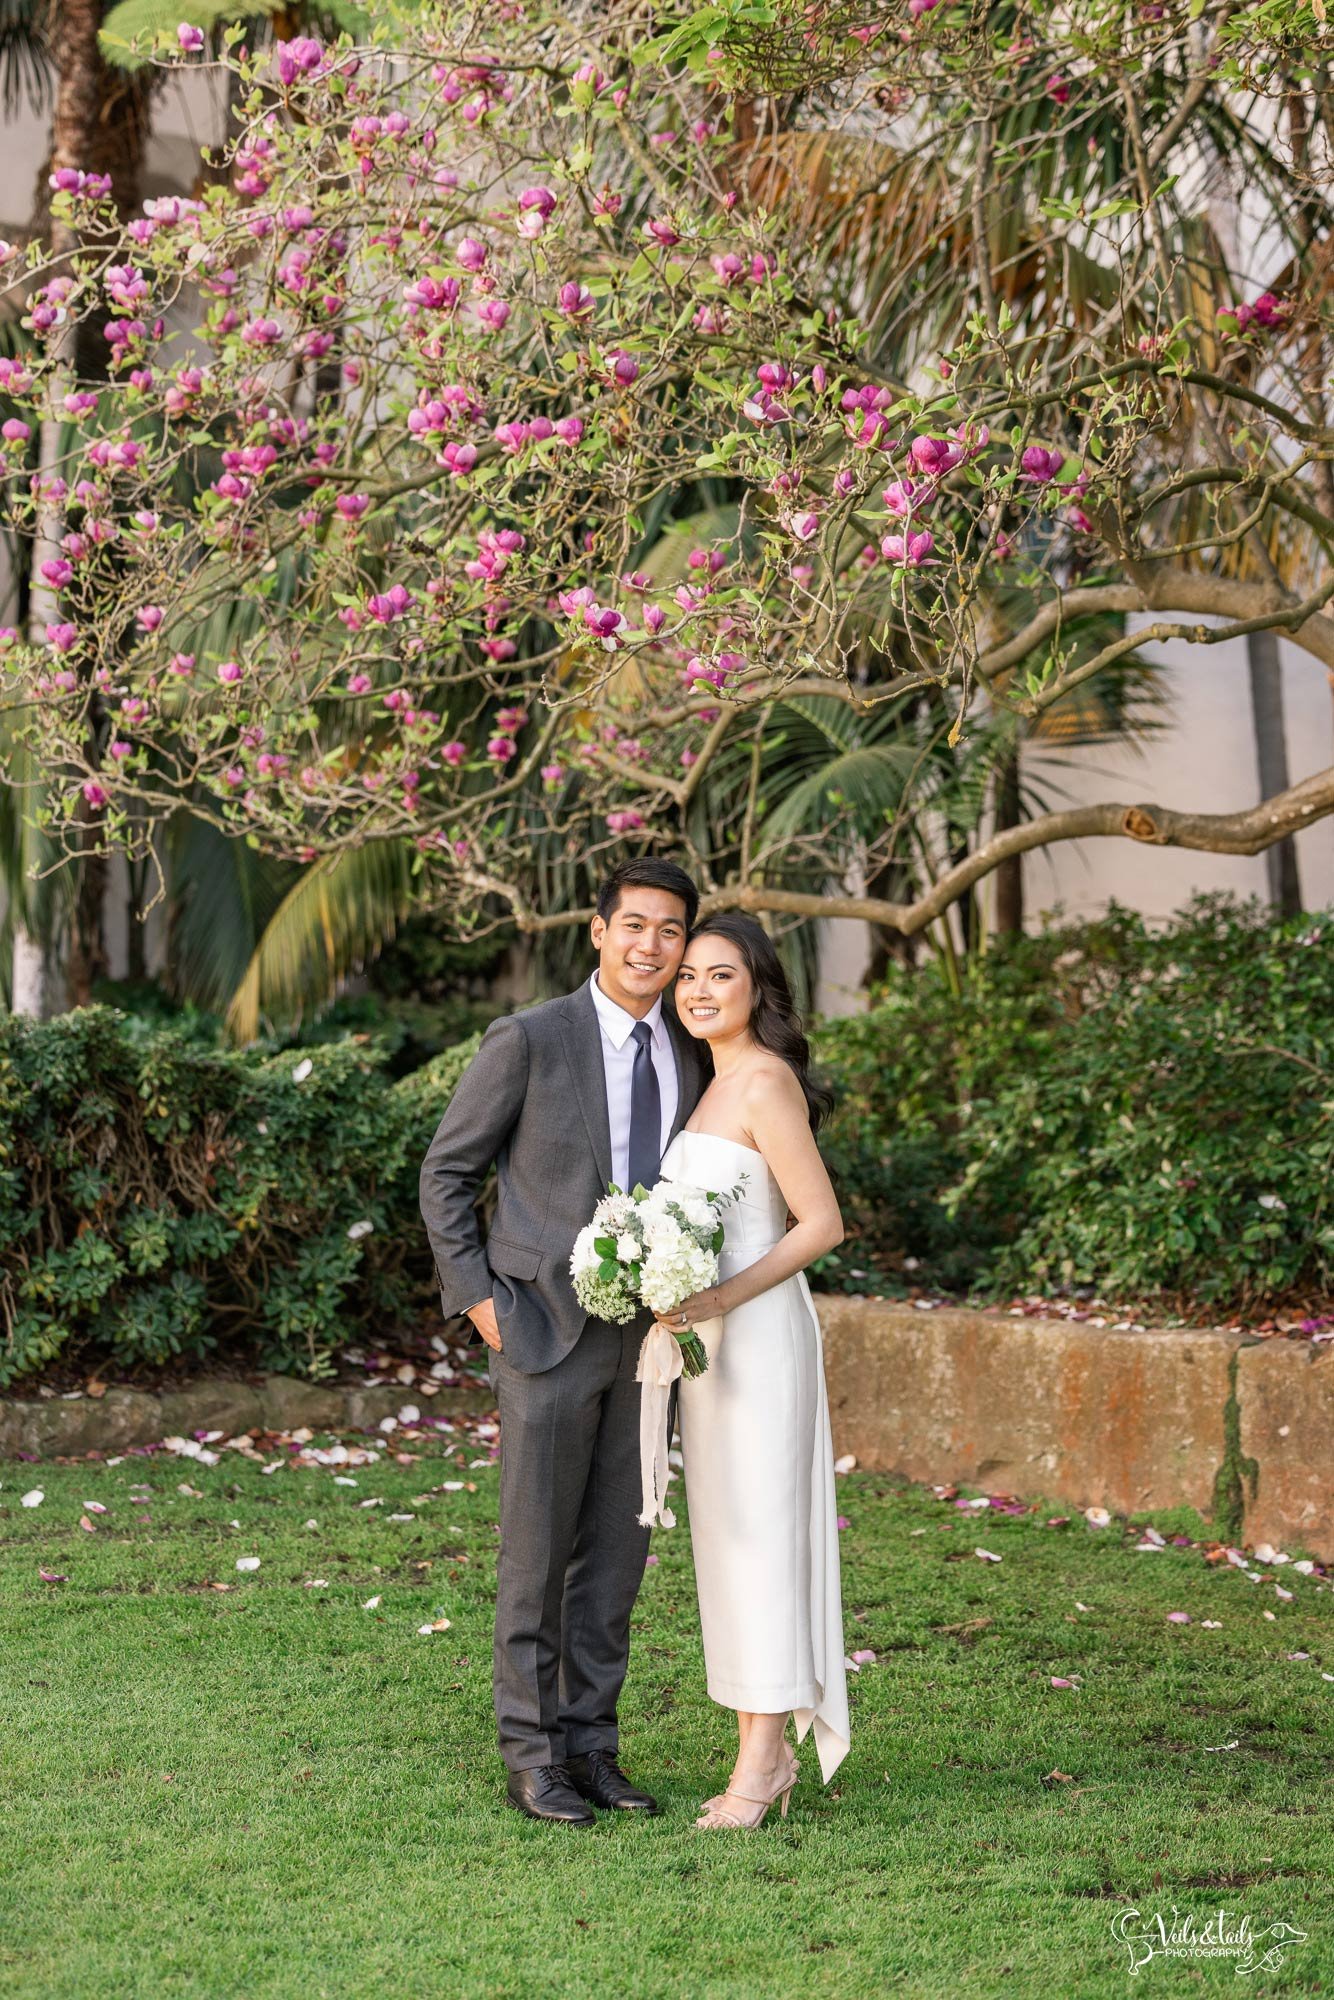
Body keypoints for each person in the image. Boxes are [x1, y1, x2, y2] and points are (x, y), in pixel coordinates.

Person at [419, 859, 706, 1825]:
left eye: (670, 931)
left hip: (650, 1338)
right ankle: (532, 1754)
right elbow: (447, 1173)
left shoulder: (695, 1047)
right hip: (542, 1328)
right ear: (597, 929)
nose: (650, 947)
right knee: (536, 1554)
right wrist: (481, 1303)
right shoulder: (532, 1038)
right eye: (634, 925)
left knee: (618, 1555)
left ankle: (594, 1746)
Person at [654, 910, 850, 1829]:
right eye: (687, 974)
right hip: (708, 1352)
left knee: (764, 1539)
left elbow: (819, 1224)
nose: (697, 989)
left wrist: (721, 1299)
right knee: (729, 1542)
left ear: (759, 987)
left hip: (760, 1340)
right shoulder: (705, 1086)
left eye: (719, 975)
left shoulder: (765, 1083)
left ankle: (762, 1765)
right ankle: (758, 1746)